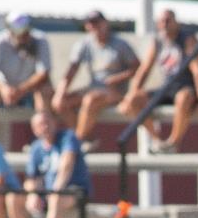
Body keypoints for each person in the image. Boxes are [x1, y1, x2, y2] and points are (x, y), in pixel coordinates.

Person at [120, 10, 198, 154]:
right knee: (135, 100)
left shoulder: (187, 39)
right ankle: (157, 140)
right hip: (166, 88)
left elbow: (197, 70)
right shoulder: (158, 41)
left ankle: (174, 142)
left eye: (168, 20)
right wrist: (130, 95)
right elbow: (144, 70)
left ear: (176, 22)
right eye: (162, 21)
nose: (165, 24)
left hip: (186, 87)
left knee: (183, 97)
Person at [11, 111, 92, 218]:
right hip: (48, 193)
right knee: (13, 197)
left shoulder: (68, 137)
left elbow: (67, 164)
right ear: (34, 129)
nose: (46, 127)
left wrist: (55, 190)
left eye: (48, 122)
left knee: (56, 198)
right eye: (40, 124)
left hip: (74, 190)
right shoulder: (36, 148)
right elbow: (30, 178)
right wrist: (33, 194)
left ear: (55, 123)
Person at [53, 11, 140, 148]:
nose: (94, 27)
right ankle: (84, 137)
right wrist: (60, 93)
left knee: (90, 100)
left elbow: (137, 68)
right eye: (90, 23)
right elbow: (71, 71)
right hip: (94, 88)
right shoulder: (84, 44)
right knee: (60, 103)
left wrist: (118, 78)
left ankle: (76, 143)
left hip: (116, 91)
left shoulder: (120, 44)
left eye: (97, 22)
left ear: (105, 23)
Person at [0, 11, 53, 135]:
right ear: (10, 31)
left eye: (26, 32)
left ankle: (44, 142)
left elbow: (43, 73)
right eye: (20, 33)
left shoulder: (40, 39)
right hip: (5, 92)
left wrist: (21, 90)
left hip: (30, 92)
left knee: (45, 90)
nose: (24, 36)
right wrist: (3, 89)